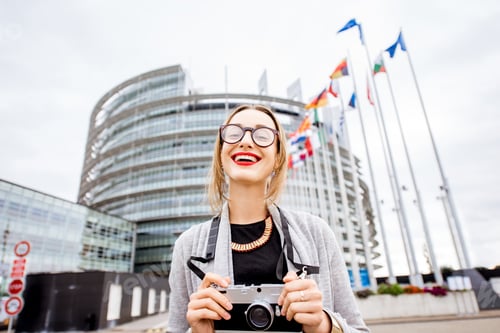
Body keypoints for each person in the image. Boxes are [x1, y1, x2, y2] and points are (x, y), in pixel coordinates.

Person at [167, 104, 370, 333]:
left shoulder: (316, 233)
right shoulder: (188, 245)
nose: (245, 141)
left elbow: (358, 330)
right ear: (221, 153)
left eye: (262, 135)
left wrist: (324, 324)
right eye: (234, 133)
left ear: (277, 158)